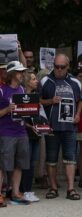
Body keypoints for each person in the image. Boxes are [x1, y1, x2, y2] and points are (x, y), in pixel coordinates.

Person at [40, 54, 82, 200]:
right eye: (56, 66)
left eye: (62, 67)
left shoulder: (75, 81)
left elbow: (80, 100)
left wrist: (78, 115)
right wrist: (51, 101)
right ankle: (53, 188)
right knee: (51, 159)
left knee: (70, 158)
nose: (58, 69)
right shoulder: (45, 80)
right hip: (52, 126)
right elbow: (37, 101)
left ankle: (71, 189)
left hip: (69, 126)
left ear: (68, 66)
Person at [0, 61, 30, 206]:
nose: (22, 74)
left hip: (21, 131)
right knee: (2, 165)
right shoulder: (1, 90)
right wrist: (7, 109)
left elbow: (24, 112)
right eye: (19, 72)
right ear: (12, 74)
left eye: (23, 71)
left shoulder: (22, 90)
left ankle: (15, 192)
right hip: (6, 132)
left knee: (19, 164)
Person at [19, 71, 42, 202]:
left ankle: (28, 189)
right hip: (24, 133)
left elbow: (37, 116)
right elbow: (20, 117)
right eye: (33, 79)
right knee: (25, 163)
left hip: (36, 134)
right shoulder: (21, 96)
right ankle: (23, 190)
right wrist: (29, 126)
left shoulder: (35, 96)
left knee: (33, 163)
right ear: (27, 81)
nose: (36, 81)